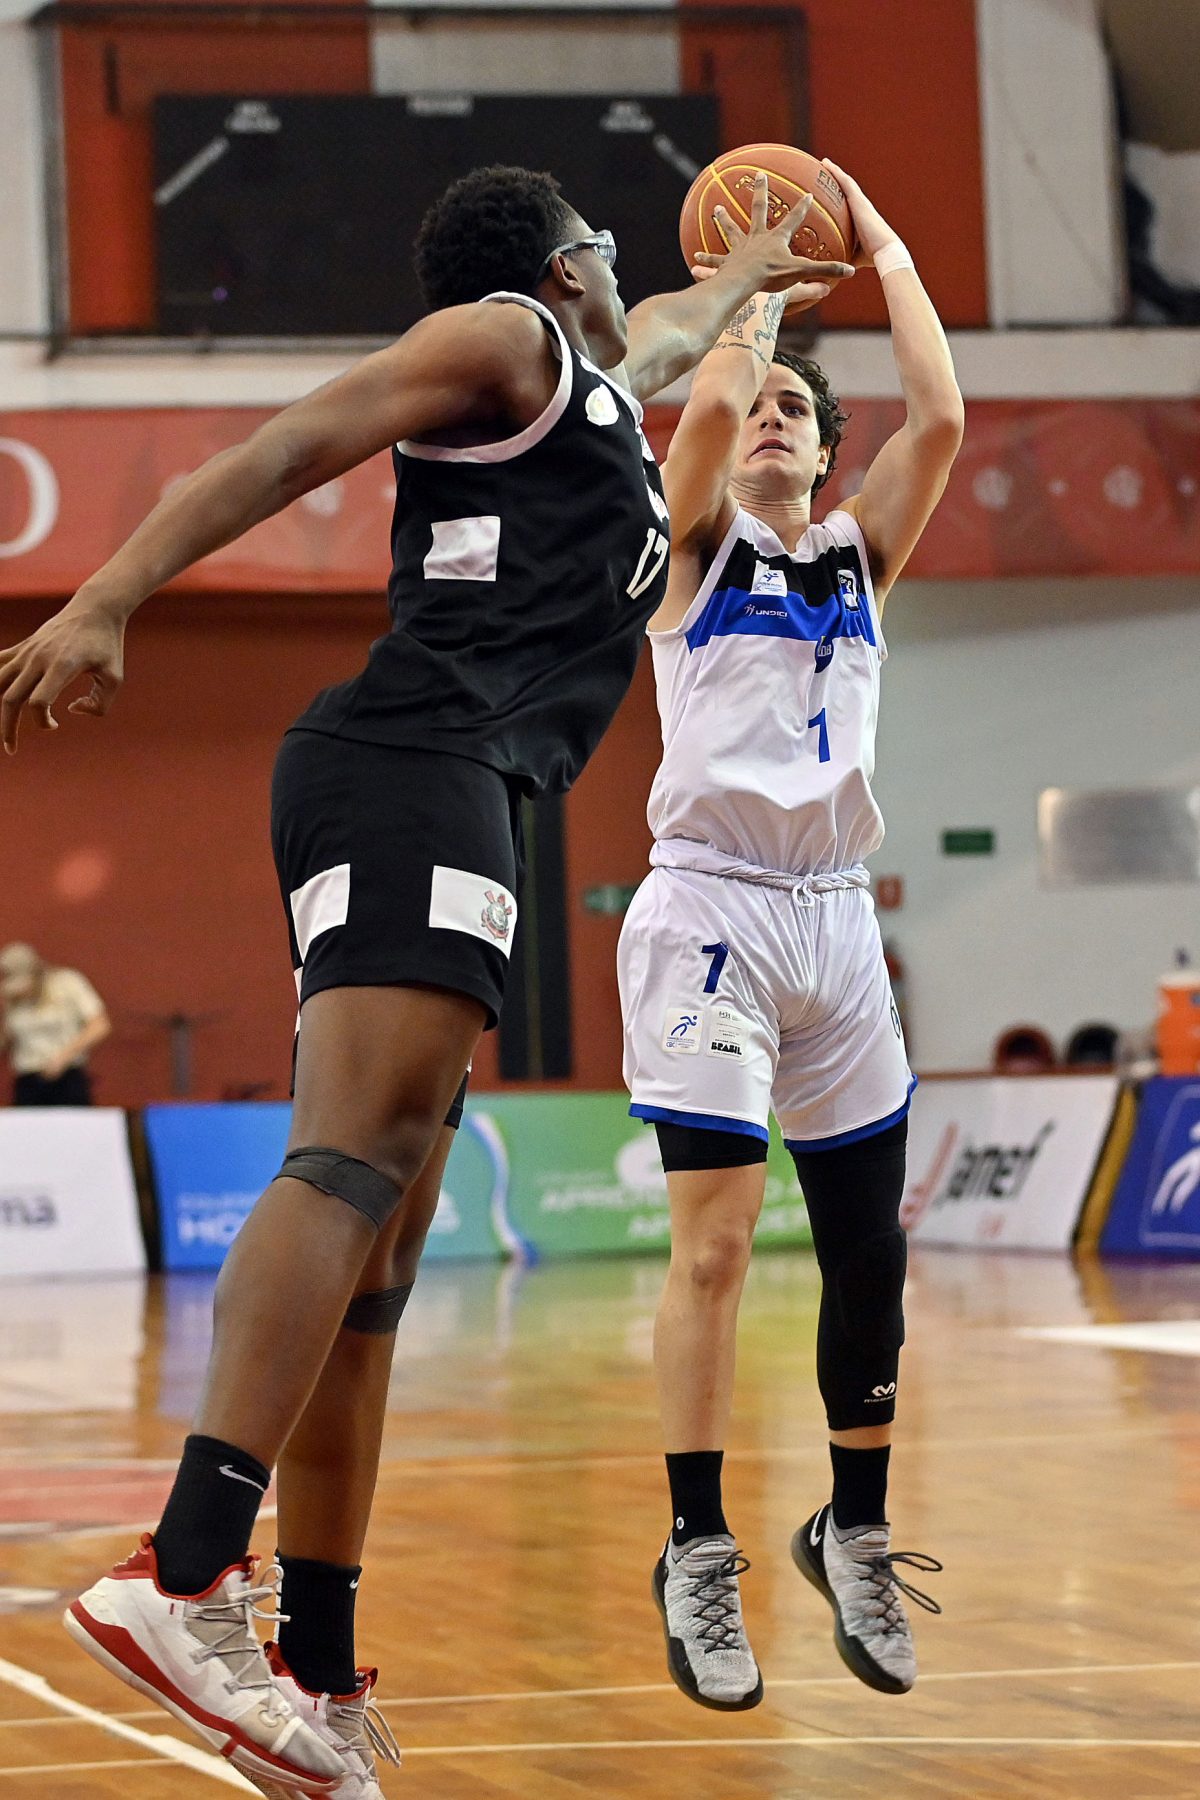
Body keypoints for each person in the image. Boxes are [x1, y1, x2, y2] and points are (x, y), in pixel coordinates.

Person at [0, 164, 851, 1795]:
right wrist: (108, 598)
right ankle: (184, 1570)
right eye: (607, 248)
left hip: (461, 788)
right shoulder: (505, 339)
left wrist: (750, 277)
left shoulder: (597, 384)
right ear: (562, 265)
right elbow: (283, 448)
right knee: (352, 1159)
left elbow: (672, 334)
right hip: (410, 764)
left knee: (382, 1259)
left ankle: (315, 1674)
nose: (629, 275)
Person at [617, 160, 963, 1711]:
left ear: (828, 454)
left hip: (835, 922)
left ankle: (855, 1528)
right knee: (713, 1244)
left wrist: (880, 248)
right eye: (763, 407)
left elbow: (940, 419)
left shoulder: (857, 558)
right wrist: (753, 289)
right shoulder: (694, 552)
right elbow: (699, 406)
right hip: (710, 910)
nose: (769, 420)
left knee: (869, 1252)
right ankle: (698, 1547)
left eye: (797, 415)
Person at [0, 942, 110, 1105]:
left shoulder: (67, 984)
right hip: (28, 1080)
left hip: (67, 1077)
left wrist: (63, 1057)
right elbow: (7, 1042)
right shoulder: (12, 999)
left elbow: (100, 1025)